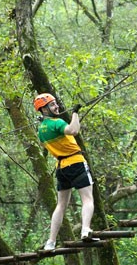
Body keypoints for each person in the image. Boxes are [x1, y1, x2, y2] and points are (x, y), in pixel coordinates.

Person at [33, 93, 95, 250]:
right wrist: (75, 113)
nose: (57, 107)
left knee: (61, 205)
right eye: (52, 105)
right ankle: (85, 230)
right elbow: (73, 130)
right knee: (87, 199)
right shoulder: (57, 123)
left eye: (56, 103)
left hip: (61, 168)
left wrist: (45, 120)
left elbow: (50, 136)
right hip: (76, 162)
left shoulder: (41, 130)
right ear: (44, 110)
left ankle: (51, 241)